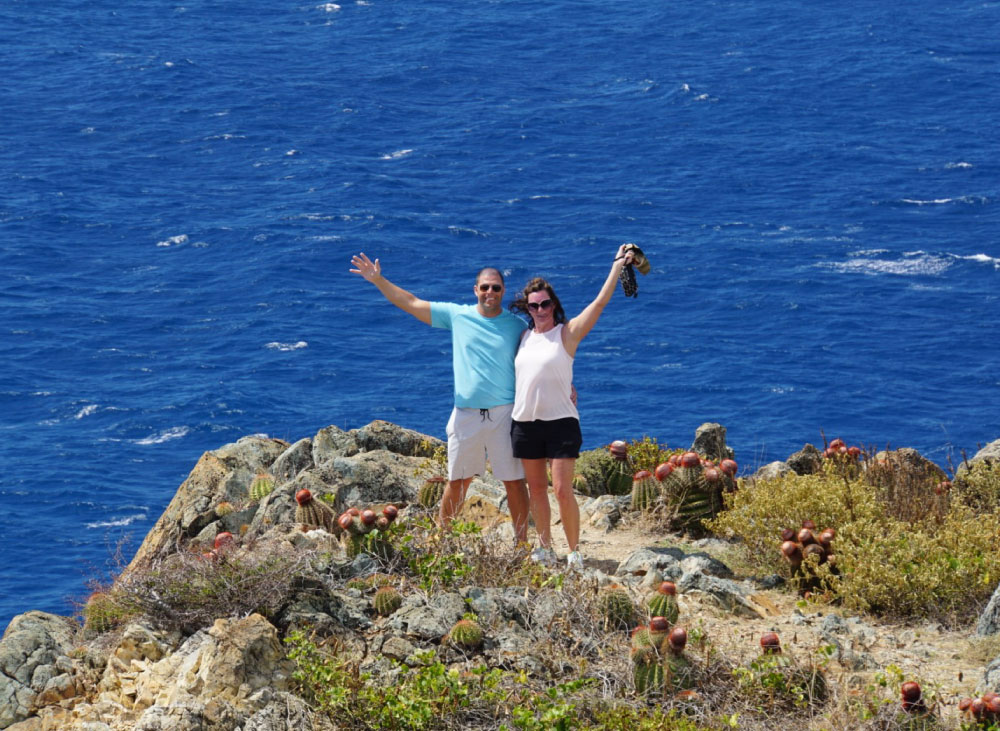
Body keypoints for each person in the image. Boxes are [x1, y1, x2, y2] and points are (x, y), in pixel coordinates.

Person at [349, 253, 530, 543]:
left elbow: (542, 356)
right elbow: (410, 302)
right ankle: (440, 541)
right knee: (457, 481)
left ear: (503, 291)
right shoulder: (458, 316)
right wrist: (378, 280)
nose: (490, 293)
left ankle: (523, 544)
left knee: (514, 482)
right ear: (475, 290)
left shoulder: (518, 326)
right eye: (484, 287)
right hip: (466, 414)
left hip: (503, 415)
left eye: (495, 288)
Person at [509, 244, 635, 570]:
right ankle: (545, 548)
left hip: (561, 422)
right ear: (527, 307)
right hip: (525, 422)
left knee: (563, 490)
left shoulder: (567, 334)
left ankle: (575, 551)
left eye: (546, 303)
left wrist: (617, 266)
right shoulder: (521, 337)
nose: (540, 309)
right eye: (534, 305)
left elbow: (600, 302)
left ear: (554, 304)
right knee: (537, 490)